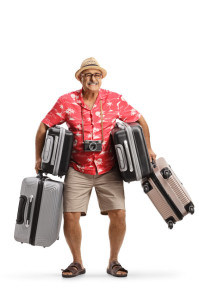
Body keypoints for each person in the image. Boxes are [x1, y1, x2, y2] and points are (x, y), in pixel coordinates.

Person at [35, 57, 156, 278]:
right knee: (71, 216)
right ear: (81, 78)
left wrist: (148, 149)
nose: (93, 78)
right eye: (88, 74)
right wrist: (38, 158)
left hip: (108, 167)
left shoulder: (114, 99)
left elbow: (140, 120)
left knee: (119, 214)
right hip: (77, 168)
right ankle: (77, 263)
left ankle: (114, 261)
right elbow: (44, 126)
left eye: (97, 75)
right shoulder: (66, 101)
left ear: (101, 78)